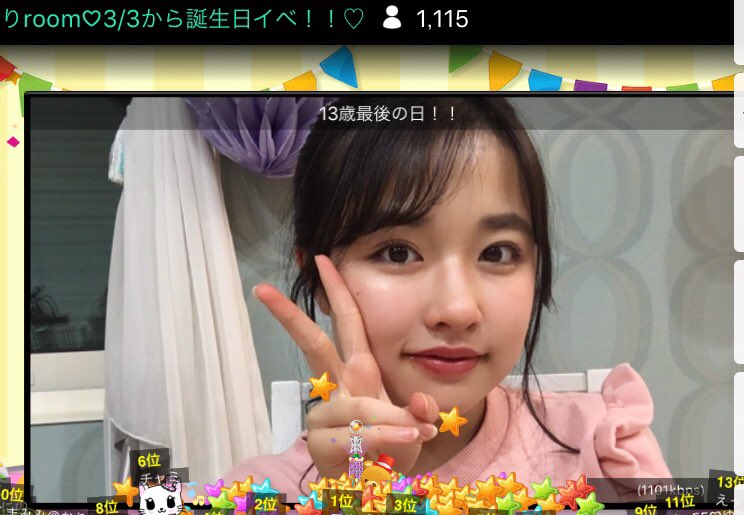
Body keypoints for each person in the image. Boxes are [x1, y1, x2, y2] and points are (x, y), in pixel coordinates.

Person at [224, 97, 671, 500]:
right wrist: (357, 499)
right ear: (317, 277)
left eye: (497, 252)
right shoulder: (262, 494)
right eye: (398, 253)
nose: (457, 310)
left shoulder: (604, 452)